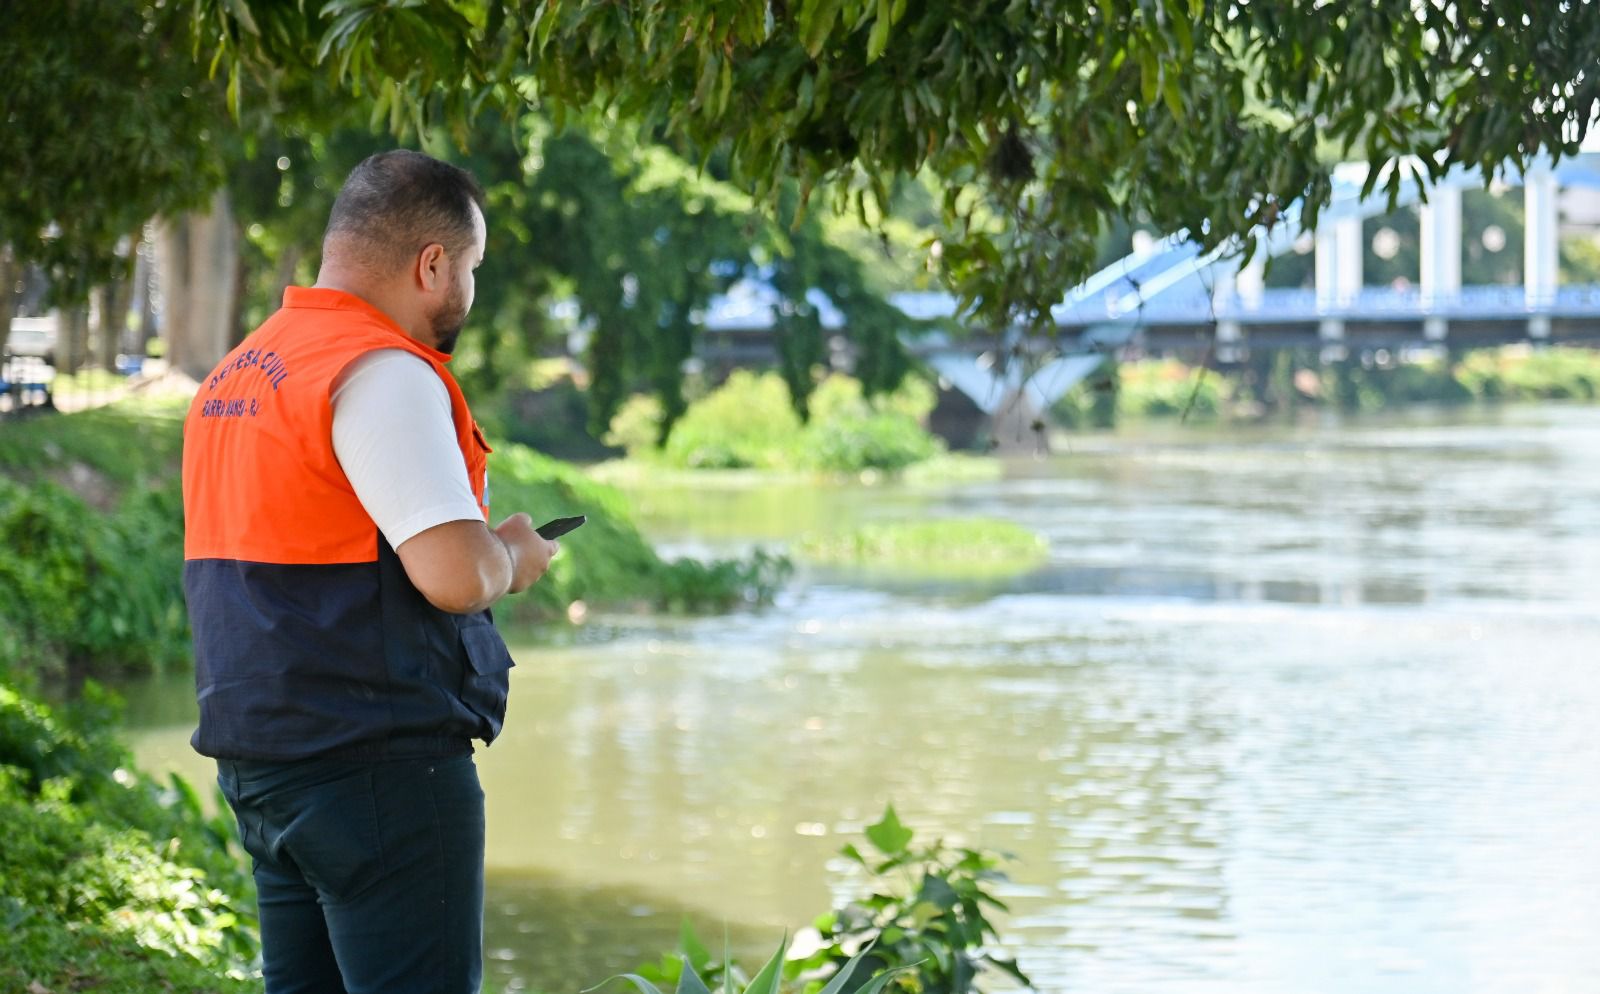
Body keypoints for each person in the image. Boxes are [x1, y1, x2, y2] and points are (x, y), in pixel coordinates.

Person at [181, 149, 559, 994]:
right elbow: (456, 577)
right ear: (433, 265)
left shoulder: (238, 375)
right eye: (471, 268)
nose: (469, 289)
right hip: (377, 769)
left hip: (264, 762)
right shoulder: (381, 371)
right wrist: (516, 556)